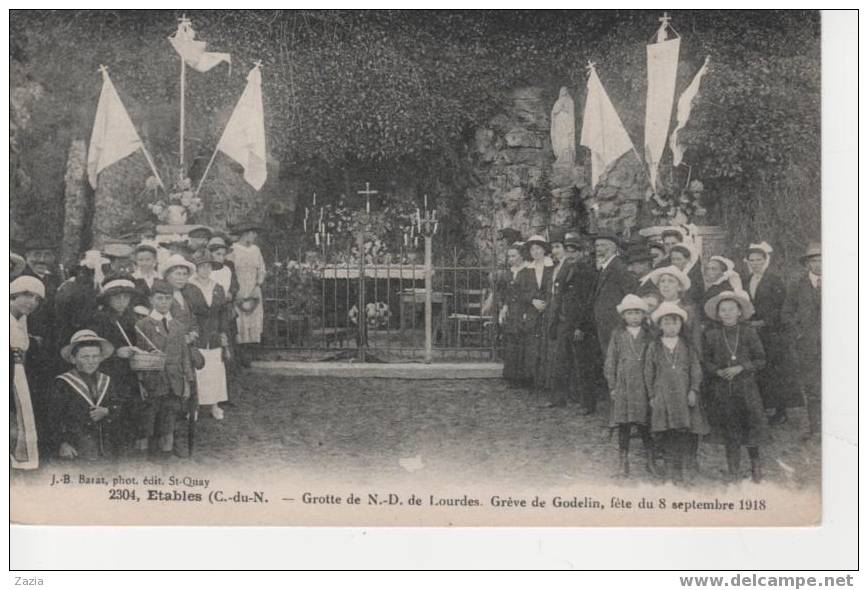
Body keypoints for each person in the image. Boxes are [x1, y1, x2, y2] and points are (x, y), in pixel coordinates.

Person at [703, 290, 769, 483]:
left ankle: (755, 466)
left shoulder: (749, 332)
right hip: (723, 390)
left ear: (739, 312)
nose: (727, 313)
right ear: (718, 313)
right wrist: (716, 371)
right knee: (730, 429)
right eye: (723, 310)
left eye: (731, 309)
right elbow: (705, 360)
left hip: (746, 388)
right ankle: (733, 470)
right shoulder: (712, 334)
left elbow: (760, 359)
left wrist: (741, 367)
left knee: (751, 428)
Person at [644, 302, 708, 484]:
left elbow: (695, 369)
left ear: (681, 325)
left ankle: (679, 468)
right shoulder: (654, 347)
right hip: (662, 393)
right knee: (666, 430)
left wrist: (693, 390)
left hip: (683, 394)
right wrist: (651, 395)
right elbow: (649, 371)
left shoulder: (687, 346)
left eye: (675, 323)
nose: (671, 327)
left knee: (682, 430)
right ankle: (669, 466)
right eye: (667, 323)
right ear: (660, 325)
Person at [135, 279, 194, 458]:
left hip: (174, 380)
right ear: (151, 300)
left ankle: (166, 452)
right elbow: (139, 357)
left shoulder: (178, 326)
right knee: (149, 418)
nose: (163, 302)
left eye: (167, 299)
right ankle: (143, 455)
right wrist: (141, 382)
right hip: (153, 381)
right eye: (159, 298)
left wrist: (187, 380)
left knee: (170, 415)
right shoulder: (143, 325)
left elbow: (184, 355)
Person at [605, 294, 656, 478]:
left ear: (643, 315)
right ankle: (623, 462)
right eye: (630, 313)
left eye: (637, 313)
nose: (634, 317)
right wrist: (612, 386)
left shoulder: (649, 335)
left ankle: (651, 462)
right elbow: (611, 360)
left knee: (645, 424)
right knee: (624, 424)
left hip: (643, 385)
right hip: (624, 384)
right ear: (623, 316)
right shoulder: (618, 335)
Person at [87, 276, 141, 451]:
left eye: (125, 297)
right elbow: (91, 349)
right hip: (107, 369)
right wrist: (116, 353)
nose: (121, 301)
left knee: (128, 400)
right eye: (117, 297)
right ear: (108, 299)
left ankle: (126, 438)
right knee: (110, 400)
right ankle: (107, 441)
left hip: (129, 369)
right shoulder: (98, 319)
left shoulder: (131, 318)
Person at [741, 241, 791, 425]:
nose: (755, 263)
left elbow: (781, 306)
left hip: (771, 332)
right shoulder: (746, 280)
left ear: (765, 260)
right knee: (758, 369)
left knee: (774, 370)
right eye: (751, 260)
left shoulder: (774, 280)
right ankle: (761, 409)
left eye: (758, 260)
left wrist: (764, 322)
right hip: (753, 331)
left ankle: (781, 411)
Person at [55, 330, 121, 461]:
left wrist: (108, 410)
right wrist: (62, 443)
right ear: (73, 359)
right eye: (85, 357)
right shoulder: (62, 383)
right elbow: (54, 418)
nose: (91, 361)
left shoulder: (106, 380)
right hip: (76, 448)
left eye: (95, 356)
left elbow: (119, 405)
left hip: (106, 448)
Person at [541, 231, 587, 409]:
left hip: (575, 321)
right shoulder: (561, 267)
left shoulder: (584, 269)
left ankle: (578, 398)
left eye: (574, 251)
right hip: (562, 319)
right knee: (560, 360)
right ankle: (558, 397)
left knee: (577, 361)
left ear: (581, 252)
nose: (571, 254)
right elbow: (558, 295)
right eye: (568, 250)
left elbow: (584, 299)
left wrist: (579, 325)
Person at [782, 242, 822, 441]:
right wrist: (798, 333)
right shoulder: (797, 284)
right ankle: (816, 429)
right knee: (812, 387)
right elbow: (786, 313)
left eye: (821, 259)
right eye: (813, 260)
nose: (818, 264)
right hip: (808, 345)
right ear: (807, 264)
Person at [186, 250, 230, 420]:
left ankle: (214, 405)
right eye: (202, 266)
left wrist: (223, 334)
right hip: (198, 335)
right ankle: (194, 406)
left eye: (208, 266)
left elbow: (222, 314)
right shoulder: (189, 288)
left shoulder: (218, 287)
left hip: (214, 336)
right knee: (198, 370)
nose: (205, 269)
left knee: (215, 370)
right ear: (196, 268)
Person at [10, 276, 45, 470]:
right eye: (27, 295)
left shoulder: (22, 320)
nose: (32, 302)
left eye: (37, 299)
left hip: (18, 371)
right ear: (13, 295)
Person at [517, 235, 553, 396]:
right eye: (532, 249)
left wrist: (546, 303)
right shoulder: (526, 270)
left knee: (546, 344)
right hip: (532, 311)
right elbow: (521, 291)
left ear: (544, 249)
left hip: (549, 310)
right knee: (533, 345)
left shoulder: (552, 267)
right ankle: (533, 380)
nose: (536, 252)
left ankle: (547, 381)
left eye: (538, 248)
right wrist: (532, 300)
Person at [228, 220, 267, 366]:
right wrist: (234, 289)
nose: (255, 236)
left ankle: (251, 352)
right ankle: (240, 353)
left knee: (253, 318)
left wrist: (258, 284)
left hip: (253, 288)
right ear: (245, 234)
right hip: (239, 288)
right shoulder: (233, 250)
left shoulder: (256, 250)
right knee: (240, 319)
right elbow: (230, 270)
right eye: (253, 233)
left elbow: (261, 269)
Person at [497, 241, 530, 387]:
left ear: (521, 256)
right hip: (511, 311)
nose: (511, 259)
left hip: (523, 311)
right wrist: (504, 307)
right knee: (511, 343)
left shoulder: (529, 271)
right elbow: (504, 293)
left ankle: (523, 377)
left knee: (522, 343)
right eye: (509, 256)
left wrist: (527, 311)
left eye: (514, 256)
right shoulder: (508, 273)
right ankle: (511, 376)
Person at [131, 243, 160, 309]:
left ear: (155, 260)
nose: (144, 263)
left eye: (148, 259)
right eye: (140, 260)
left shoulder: (160, 278)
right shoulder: (132, 278)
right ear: (136, 261)